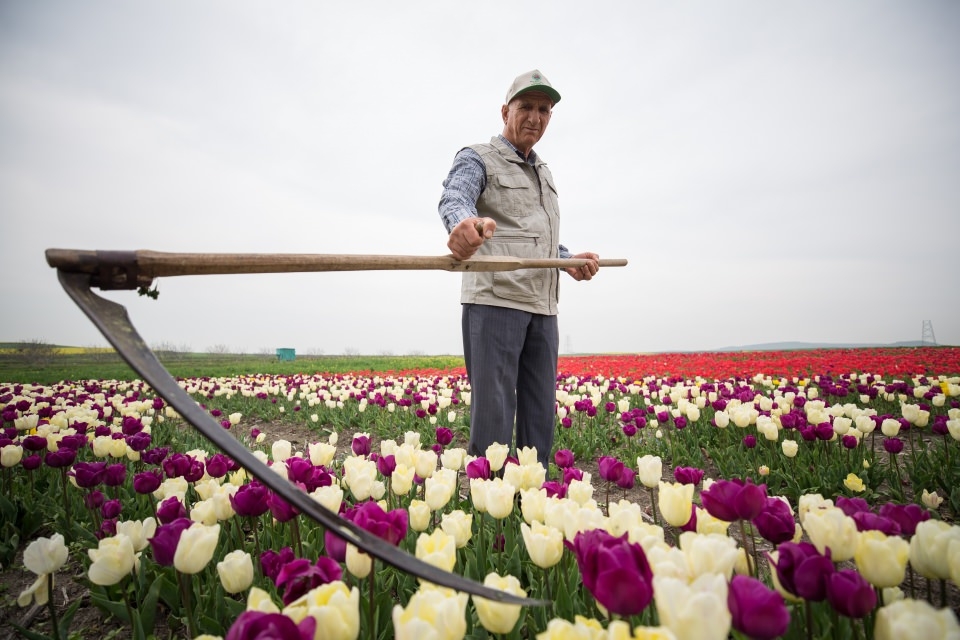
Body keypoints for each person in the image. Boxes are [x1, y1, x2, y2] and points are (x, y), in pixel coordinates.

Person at [438, 69, 601, 469]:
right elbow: (455, 198)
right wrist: (465, 226)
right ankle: (490, 513)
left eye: (544, 109)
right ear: (504, 111)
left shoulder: (544, 172)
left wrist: (568, 260)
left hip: (543, 307)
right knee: (493, 416)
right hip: (496, 301)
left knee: (539, 413)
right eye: (525, 106)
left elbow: (534, 236)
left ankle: (534, 506)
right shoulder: (478, 158)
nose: (535, 116)